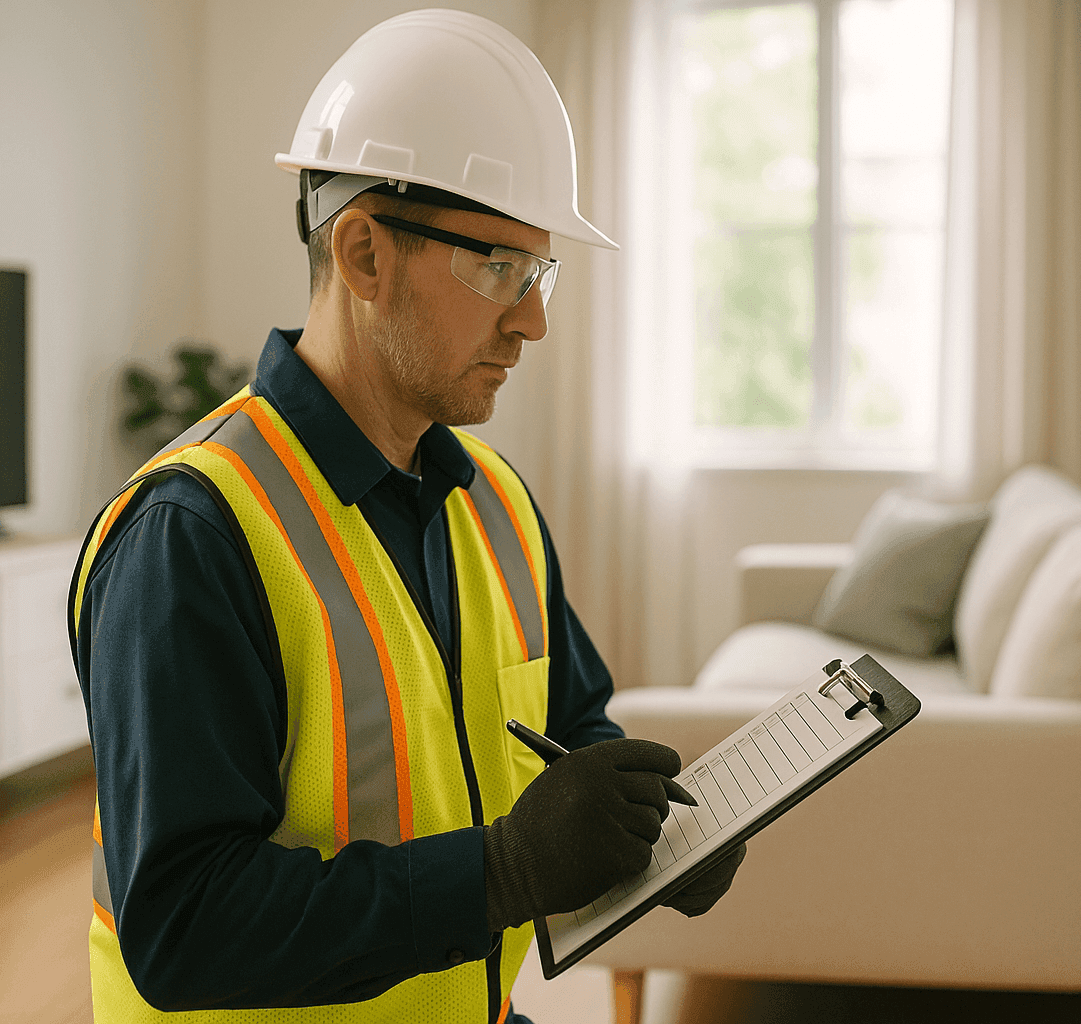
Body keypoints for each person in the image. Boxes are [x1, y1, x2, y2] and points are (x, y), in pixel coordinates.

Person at [69, 11, 743, 1023]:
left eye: (540, 272)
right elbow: (181, 924)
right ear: (363, 254)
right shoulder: (195, 532)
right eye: (498, 270)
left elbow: (571, 730)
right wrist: (501, 873)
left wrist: (654, 829)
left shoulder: (500, 505)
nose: (534, 320)